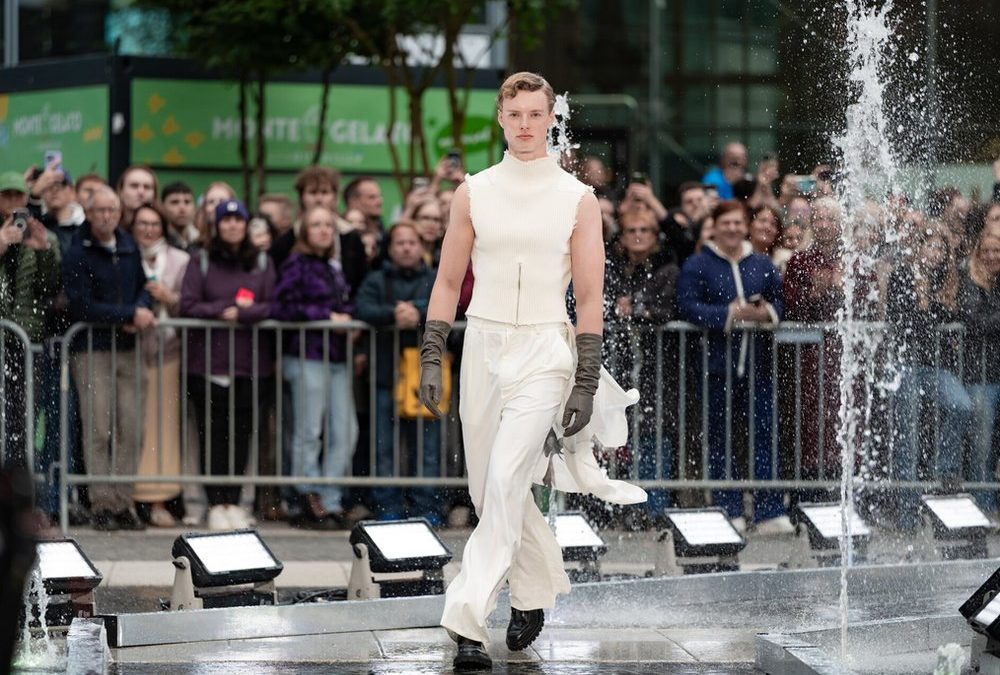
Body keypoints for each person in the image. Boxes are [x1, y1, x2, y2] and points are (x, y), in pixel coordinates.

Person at [417, 72, 646, 670]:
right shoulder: (473, 192)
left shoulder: (577, 198)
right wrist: (433, 352)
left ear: (551, 119)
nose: (524, 124)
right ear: (499, 118)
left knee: (506, 478)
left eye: (535, 114)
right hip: (484, 344)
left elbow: (591, 296)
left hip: (547, 348)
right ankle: (533, 589)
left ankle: (467, 620)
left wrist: (587, 376)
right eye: (514, 113)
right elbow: (446, 281)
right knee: (490, 487)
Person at [676, 199, 791, 534]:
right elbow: (686, 305)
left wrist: (764, 314)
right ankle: (729, 508)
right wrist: (728, 315)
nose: (732, 228)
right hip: (717, 367)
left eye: (738, 223)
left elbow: (780, 301)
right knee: (720, 438)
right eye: (726, 222)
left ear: (745, 226)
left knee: (763, 435)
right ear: (715, 225)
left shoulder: (762, 263)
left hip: (758, 366)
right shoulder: (698, 264)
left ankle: (769, 510)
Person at [180, 199, 275, 531]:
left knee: (242, 434)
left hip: (250, 366)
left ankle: (235, 502)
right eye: (227, 219)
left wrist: (243, 313)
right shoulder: (201, 259)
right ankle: (216, 502)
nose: (233, 225)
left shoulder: (261, 261)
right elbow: (189, 304)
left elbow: (271, 304)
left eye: (239, 219)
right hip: (207, 364)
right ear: (217, 225)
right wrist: (225, 309)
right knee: (212, 433)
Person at [62, 186, 153, 531]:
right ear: (88, 211)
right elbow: (80, 305)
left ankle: (124, 501)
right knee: (98, 428)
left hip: (129, 349)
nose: (106, 217)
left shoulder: (128, 246)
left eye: (112, 210)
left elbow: (145, 285)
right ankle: (102, 501)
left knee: (131, 428)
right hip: (93, 348)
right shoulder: (77, 251)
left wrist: (142, 307)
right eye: (99, 210)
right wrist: (130, 314)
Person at [271, 205, 356, 529]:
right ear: (304, 232)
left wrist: (347, 318)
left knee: (345, 430)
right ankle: (308, 498)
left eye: (327, 225)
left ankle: (329, 497)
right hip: (307, 354)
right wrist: (324, 316)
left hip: (335, 356)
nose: (323, 230)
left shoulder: (332, 268)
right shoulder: (297, 264)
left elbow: (342, 304)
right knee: (309, 431)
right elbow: (283, 306)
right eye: (316, 224)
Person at [353, 223, 441, 523]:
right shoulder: (376, 279)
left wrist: (418, 310)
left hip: (425, 376)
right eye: (400, 242)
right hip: (384, 373)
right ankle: (386, 508)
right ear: (389, 248)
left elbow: (451, 307)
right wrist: (393, 314)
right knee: (384, 447)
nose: (406, 247)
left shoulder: (435, 278)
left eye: (412, 242)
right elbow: (361, 308)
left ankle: (427, 509)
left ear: (421, 246)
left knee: (427, 447)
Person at [887, 221, 973, 530]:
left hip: (936, 366)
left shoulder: (948, 279)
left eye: (941, 248)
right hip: (906, 364)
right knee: (906, 436)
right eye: (930, 246)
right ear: (918, 248)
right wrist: (926, 307)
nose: (935, 253)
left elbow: (958, 316)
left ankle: (943, 473)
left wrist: (929, 307)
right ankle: (907, 511)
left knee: (961, 406)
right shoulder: (901, 276)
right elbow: (901, 318)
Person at [604, 209, 679, 525]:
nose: (637, 235)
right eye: (631, 229)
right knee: (613, 435)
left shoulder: (667, 269)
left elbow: (666, 308)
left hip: (654, 369)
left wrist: (635, 309)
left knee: (652, 434)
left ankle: (653, 506)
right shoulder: (612, 269)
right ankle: (616, 508)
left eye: (645, 230)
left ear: (655, 237)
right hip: (616, 364)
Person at [131, 202, 191, 528]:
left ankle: (160, 500)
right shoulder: (126, 256)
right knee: (132, 427)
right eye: (142, 223)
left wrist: (171, 298)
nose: (149, 229)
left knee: (164, 429)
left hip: (169, 353)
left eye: (154, 223)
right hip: (131, 352)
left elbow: (191, 301)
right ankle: (132, 498)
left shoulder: (181, 260)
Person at [0, 171, 60, 476]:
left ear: (27, 198)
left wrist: (44, 252)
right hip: (3, 339)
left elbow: (50, 289)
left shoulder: (41, 234)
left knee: (22, 421)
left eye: (17, 196)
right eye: (6, 195)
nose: (12, 202)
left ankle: (18, 494)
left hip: (27, 343)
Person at [958, 228, 1000, 515]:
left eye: (996, 251)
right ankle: (982, 506)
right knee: (981, 446)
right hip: (981, 376)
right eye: (986, 251)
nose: (991, 256)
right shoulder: (970, 282)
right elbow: (976, 323)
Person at [161, 182, 199, 249]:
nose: (182, 208)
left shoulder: (201, 241)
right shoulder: (157, 241)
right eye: (175, 202)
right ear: (162, 207)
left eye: (187, 202)